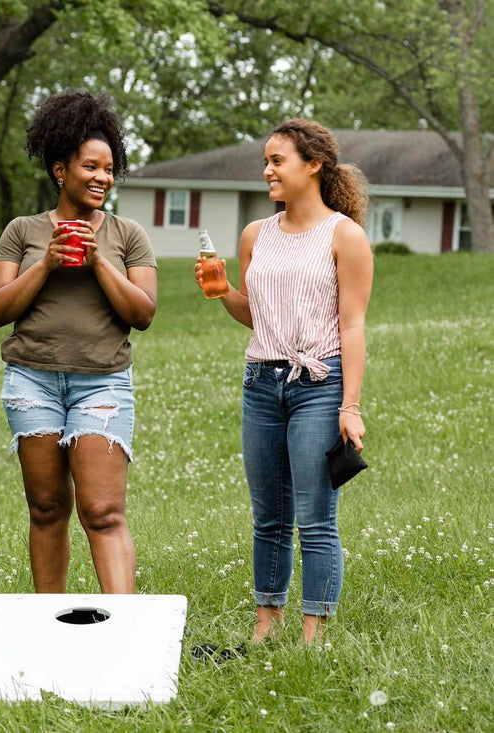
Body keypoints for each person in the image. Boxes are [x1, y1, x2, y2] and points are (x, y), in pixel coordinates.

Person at [195, 119, 373, 644]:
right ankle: (265, 626)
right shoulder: (256, 234)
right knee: (269, 515)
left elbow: (353, 324)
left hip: (320, 382)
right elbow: (257, 317)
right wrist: (222, 290)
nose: (267, 170)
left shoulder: (345, 235)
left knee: (315, 516)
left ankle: (312, 635)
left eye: (278, 160)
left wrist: (351, 405)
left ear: (313, 165)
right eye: (266, 161)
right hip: (261, 383)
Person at [0, 91, 157, 594]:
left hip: (102, 383)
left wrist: (99, 259)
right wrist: (47, 263)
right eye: (90, 167)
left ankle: (124, 634)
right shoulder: (23, 231)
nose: (103, 178)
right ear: (61, 169)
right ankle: (49, 629)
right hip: (31, 380)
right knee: (46, 509)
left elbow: (143, 314)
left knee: (103, 512)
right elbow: (0, 310)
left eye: (109, 169)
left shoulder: (128, 235)